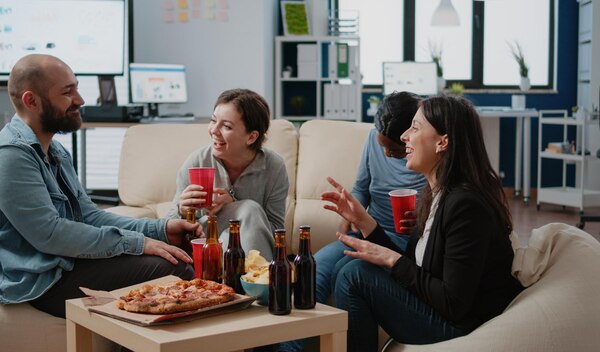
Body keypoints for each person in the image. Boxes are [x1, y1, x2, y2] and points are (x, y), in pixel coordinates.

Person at [0, 54, 201, 318]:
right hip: (44, 279)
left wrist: (160, 229)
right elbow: (50, 234)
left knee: (185, 255)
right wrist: (138, 243)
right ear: (31, 101)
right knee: (173, 269)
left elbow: (89, 216)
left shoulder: (55, 150)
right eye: (67, 92)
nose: (81, 100)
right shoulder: (11, 155)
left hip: (69, 263)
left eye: (77, 88)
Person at [321, 95, 524, 351]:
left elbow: (453, 303)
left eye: (414, 128)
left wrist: (392, 260)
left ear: (443, 142)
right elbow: (418, 266)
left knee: (354, 275)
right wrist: (365, 222)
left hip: (461, 324)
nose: (404, 136)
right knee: (346, 269)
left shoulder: (466, 205)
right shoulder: (435, 193)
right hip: (442, 309)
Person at [316, 91, 427, 305]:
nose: (386, 153)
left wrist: (422, 216)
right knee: (315, 268)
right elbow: (361, 187)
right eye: (382, 146)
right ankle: (295, 335)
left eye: (394, 149)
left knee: (347, 270)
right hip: (369, 231)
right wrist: (351, 212)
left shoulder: (428, 155)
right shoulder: (372, 138)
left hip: (406, 242)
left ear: (411, 136)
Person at [165, 88, 289, 260]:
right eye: (213, 121)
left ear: (251, 137)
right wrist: (182, 210)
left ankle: (240, 278)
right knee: (237, 224)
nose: (214, 131)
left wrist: (236, 206)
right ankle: (258, 281)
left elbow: (276, 232)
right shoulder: (197, 162)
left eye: (227, 126)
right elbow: (166, 227)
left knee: (247, 213)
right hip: (203, 246)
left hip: (247, 250)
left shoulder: (273, 167)